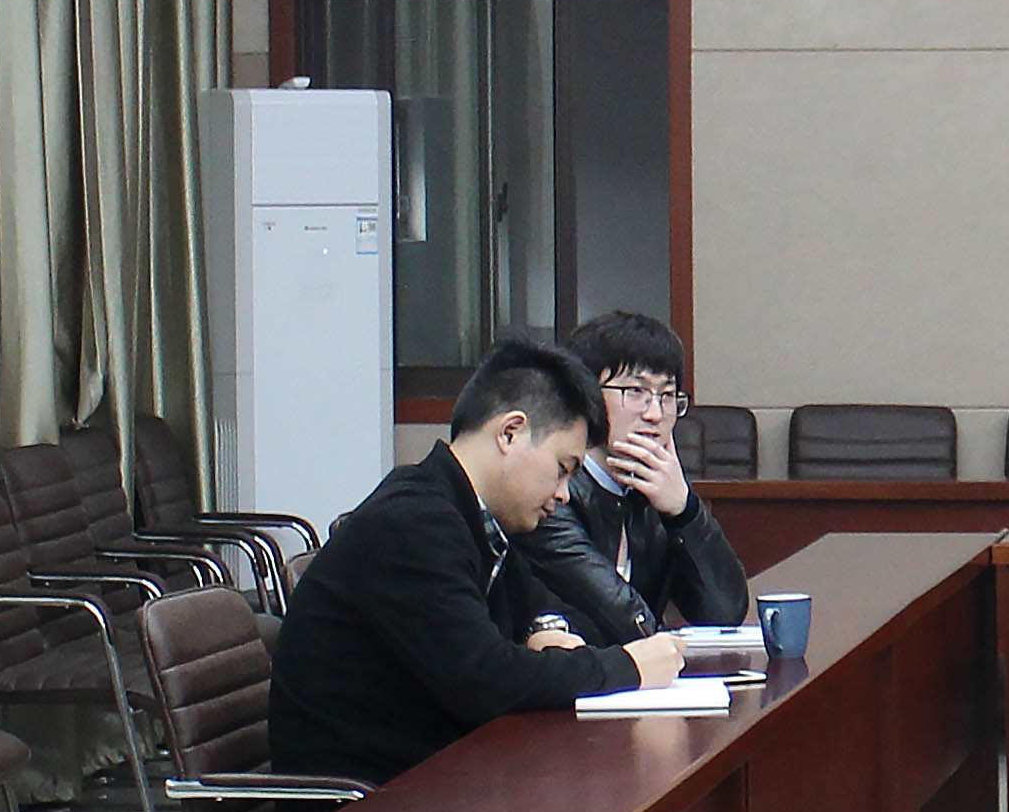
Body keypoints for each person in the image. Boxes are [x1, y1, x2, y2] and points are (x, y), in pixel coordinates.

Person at [270, 335, 695, 782]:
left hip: (433, 775)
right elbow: (486, 681)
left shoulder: (472, 515)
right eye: (562, 468)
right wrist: (628, 666)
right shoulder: (413, 523)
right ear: (510, 433)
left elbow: (509, 635)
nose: (563, 494)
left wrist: (542, 634)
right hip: (368, 802)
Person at [499, 307, 750, 647]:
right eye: (635, 391)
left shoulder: (657, 492)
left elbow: (724, 613)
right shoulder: (550, 491)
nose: (655, 413)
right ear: (586, 394)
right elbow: (619, 618)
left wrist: (685, 510)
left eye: (667, 395)